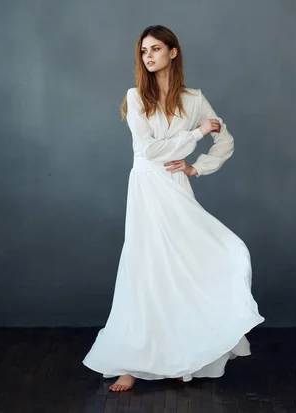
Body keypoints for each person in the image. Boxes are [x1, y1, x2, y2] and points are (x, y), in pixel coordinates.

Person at [82, 25, 264, 392]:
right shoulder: (135, 97)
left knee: (185, 267)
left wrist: (198, 166)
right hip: (147, 187)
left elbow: (224, 139)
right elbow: (148, 150)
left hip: (177, 188)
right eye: (143, 51)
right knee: (145, 269)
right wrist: (194, 137)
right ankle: (131, 363)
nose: (148, 56)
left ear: (173, 52)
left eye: (155, 49)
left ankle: (180, 357)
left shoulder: (195, 100)